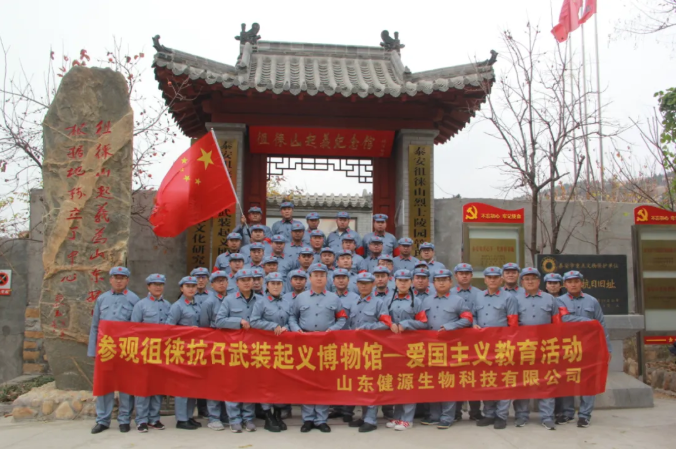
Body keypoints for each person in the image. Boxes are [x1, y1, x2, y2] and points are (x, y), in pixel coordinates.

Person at [288, 263, 347, 433]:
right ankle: (307, 419)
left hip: (325, 345)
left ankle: (321, 419)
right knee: (306, 382)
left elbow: (342, 318)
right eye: (316, 275)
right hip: (305, 344)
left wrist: (332, 330)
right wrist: (296, 330)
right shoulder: (301, 298)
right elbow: (292, 317)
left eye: (322, 275)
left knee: (323, 382)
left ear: (327, 278)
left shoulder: (334, 298)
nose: (319, 278)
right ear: (310, 278)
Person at [555, 270, 611, 428]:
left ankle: (585, 415)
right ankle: (567, 413)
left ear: (582, 283)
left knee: (588, 381)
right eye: (570, 282)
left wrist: (607, 348)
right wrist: (588, 321)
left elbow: (601, 324)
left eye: (576, 281)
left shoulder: (592, 301)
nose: (573, 284)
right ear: (564, 285)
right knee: (567, 380)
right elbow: (564, 319)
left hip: (589, 347)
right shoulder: (559, 301)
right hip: (568, 347)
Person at [89, 267, 140, 434]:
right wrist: (93, 350)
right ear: (110, 280)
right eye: (116, 277)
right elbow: (95, 326)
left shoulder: (134, 299)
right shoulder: (102, 299)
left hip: (126, 349)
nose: (119, 281)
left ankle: (124, 419)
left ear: (127, 280)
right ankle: (102, 420)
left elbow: (137, 327)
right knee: (105, 384)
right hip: (106, 349)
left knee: (125, 385)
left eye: (122, 278)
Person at [420, 269, 473, 430]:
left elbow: (468, 319)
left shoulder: (458, 300)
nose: (441, 283)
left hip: (450, 347)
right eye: (438, 280)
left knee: (448, 382)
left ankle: (448, 416)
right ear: (433, 283)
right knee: (433, 382)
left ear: (450, 282)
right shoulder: (427, 301)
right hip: (430, 347)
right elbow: (421, 321)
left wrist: (451, 326)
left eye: (445, 280)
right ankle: (434, 415)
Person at [342, 272, 392, 433]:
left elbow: (386, 324)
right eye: (361, 283)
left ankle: (371, 420)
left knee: (371, 383)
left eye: (367, 283)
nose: (364, 286)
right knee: (361, 383)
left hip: (372, 349)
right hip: (356, 350)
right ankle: (364, 417)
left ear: (373, 285)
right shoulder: (354, 303)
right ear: (357, 285)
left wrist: (366, 328)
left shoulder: (379, 303)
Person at [215, 269, 263, 432]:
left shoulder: (260, 300)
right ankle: (234, 418)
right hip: (234, 348)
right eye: (243, 280)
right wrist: (239, 321)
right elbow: (219, 321)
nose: (247, 283)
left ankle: (248, 418)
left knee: (249, 383)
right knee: (233, 384)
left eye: (249, 279)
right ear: (237, 283)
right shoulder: (229, 300)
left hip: (254, 348)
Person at [513, 267, 561, 431]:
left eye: (533, 278)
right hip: (523, 347)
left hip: (545, 347)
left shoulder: (550, 299)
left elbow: (557, 324)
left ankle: (547, 417)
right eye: (526, 279)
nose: (530, 281)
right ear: (522, 282)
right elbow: (512, 325)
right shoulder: (515, 300)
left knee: (546, 382)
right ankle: (521, 415)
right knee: (522, 382)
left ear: (539, 281)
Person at [473, 267, 519, 430]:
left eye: (495, 277)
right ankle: (489, 414)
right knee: (487, 379)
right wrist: (474, 324)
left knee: (503, 380)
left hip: (502, 345)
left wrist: (510, 345)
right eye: (489, 277)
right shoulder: (478, 296)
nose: (492, 280)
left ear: (501, 280)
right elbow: (473, 315)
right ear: (485, 280)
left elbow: (513, 323)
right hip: (483, 346)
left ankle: (501, 416)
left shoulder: (509, 298)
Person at [384, 269, 428, 431]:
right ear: (395, 282)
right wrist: (390, 324)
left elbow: (424, 323)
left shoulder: (417, 301)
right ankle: (397, 416)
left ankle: (407, 419)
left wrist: (406, 324)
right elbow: (383, 317)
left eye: (406, 281)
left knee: (409, 381)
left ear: (411, 282)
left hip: (411, 347)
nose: (403, 283)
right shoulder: (388, 300)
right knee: (397, 381)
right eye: (400, 280)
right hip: (392, 347)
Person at [250, 272, 293, 432]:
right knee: (266, 381)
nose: (276, 286)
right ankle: (267, 415)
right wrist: (272, 326)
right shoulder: (261, 302)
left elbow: (292, 319)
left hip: (283, 348)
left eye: (278, 283)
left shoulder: (287, 302)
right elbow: (254, 321)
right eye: (272, 283)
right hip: (265, 347)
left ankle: (277, 414)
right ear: (267, 286)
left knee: (281, 382)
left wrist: (286, 327)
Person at [131, 274, 171, 433]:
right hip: (144, 352)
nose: (158, 287)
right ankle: (141, 420)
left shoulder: (168, 305)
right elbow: (134, 329)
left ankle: (154, 418)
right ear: (148, 287)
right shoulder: (140, 305)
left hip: (161, 353)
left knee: (157, 386)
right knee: (143, 387)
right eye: (154, 284)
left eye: (160, 284)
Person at [166, 276, 203, 430]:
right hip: (182, 350)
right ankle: (181, 418)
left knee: (193, 385)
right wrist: (186, 331)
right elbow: (169, 328)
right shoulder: (177, 306)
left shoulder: (198, 305)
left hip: (196, 350)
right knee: (182, 386)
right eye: (187, 286)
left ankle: (189, 416)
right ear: (181, 289)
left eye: (193, 286)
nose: (191, 289)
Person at [452, 263, 483, 422]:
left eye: (467, 273)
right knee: (457, 376)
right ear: (455, 276)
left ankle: (475, 411)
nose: (464, 276)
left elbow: (478, 314)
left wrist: (474, 324)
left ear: (471, 275)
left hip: (474, 341)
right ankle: (456, 411)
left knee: (474, 376)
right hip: (454, 341)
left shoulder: (480, 294)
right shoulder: (449, 293)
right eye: (461, 273)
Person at [199, 271, 230, 430]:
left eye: (223, 280)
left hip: (230, 346)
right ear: (212, 285)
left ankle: (225, 414)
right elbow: (204, 326)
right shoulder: (209, 302)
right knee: (214, 382)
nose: (221, 284)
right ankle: (213, 417)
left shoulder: (231, 299)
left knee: (227, 381)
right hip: (214, 346)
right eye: (218, 281)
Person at [544, 272, 566, 420]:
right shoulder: (541, 299)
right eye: (550, 283)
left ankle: (559, 410)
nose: (552, 286)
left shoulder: (564, 301)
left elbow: (565, 319)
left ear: (560, 285)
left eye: (555, 283)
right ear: (546, 285)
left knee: (558, 378)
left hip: (561, 344)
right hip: (543, 344)